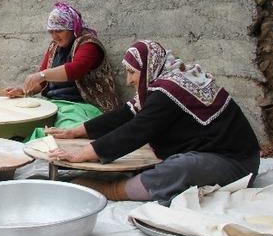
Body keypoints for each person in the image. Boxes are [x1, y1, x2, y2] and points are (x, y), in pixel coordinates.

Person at [47, 40, 261, 204]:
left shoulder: (169, 90)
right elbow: (126, 114)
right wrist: (75, 132)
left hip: (237, 165)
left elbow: (136, 130)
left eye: (132, 72)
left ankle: (114, 190)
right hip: (213, 150)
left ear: (149, 67)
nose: (129, 80)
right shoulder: (168, 83)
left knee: (182, 167)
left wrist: (81, 155)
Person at [6, 2, 118, 128]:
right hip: (54, 104)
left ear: (72, 28)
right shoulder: (54, 46)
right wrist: (23, 90)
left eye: (59, 31)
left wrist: (42, 75)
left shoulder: (89, 44)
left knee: (67, 130)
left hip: (81, 106)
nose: (54, 36)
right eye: (51, 32)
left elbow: (76, 69)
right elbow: (42, 83)